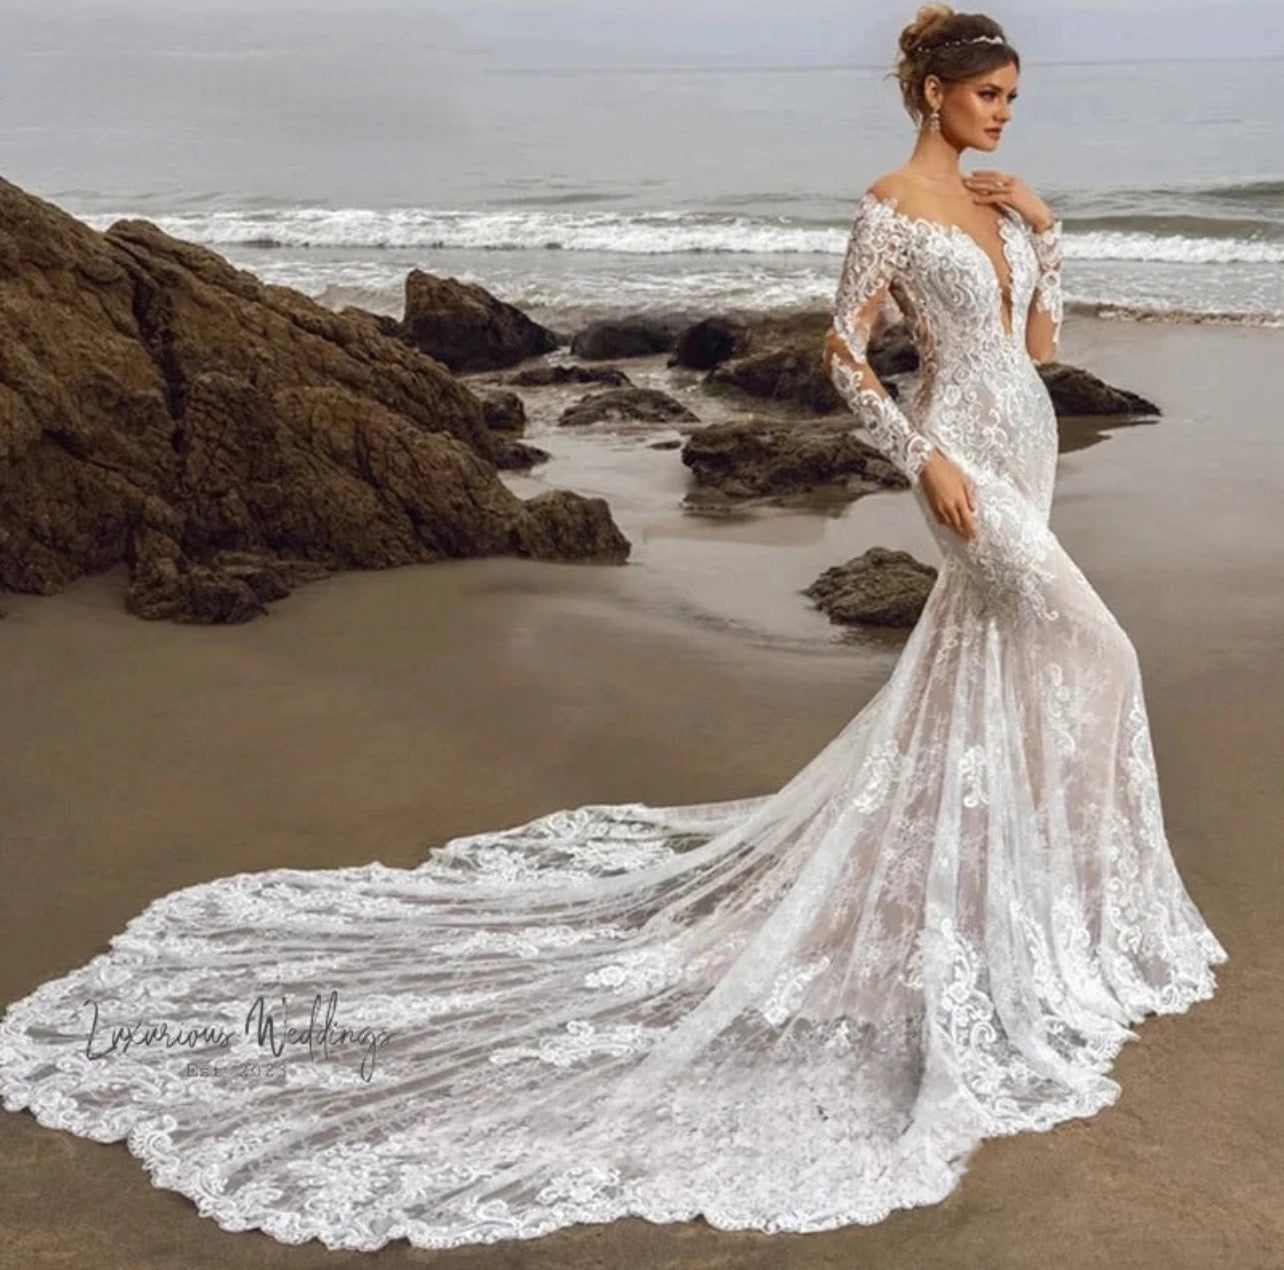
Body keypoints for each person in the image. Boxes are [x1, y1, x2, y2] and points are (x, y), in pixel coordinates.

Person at [0, 4, 1227, 1254]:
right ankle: (1020, 888)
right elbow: (845, 356)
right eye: (987, 97)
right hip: (961, 450)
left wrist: (1048, 235)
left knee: (1001, 662)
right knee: (1097, 647)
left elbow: (1037, 350)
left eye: (1014, 97)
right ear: (930, 95)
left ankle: (1004, 896)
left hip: (1024, 435)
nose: (1004, 114)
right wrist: (921, 463)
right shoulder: (889, 212)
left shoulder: (999, 204)